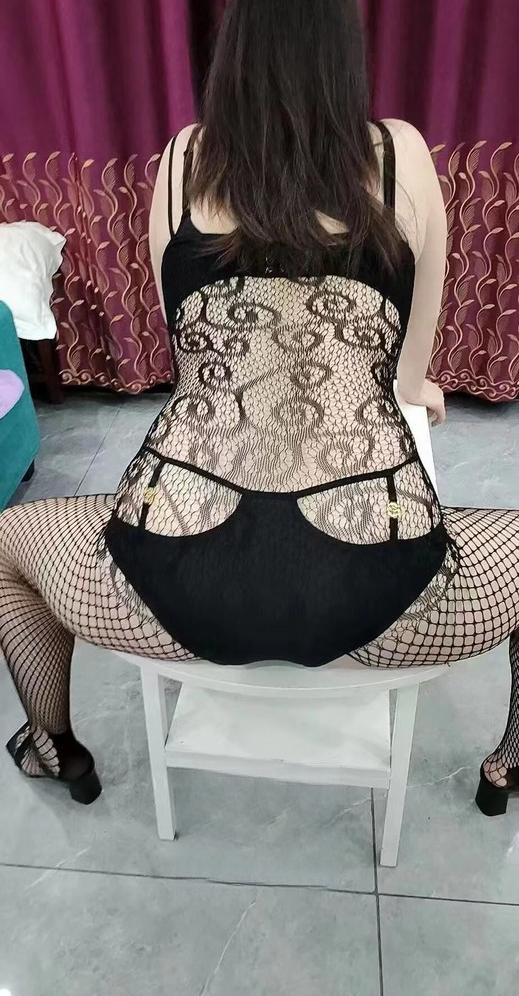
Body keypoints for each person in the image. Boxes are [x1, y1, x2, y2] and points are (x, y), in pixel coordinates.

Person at [0, 0, 517, 816]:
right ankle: (508, 764)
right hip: (376, 591)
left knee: (8, 544)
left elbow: (189, 363)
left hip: (170, 577)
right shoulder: (400, 156)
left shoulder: (183, 160)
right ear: (343, 50)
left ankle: (51, 744)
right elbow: (407, 373)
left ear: (232, 50)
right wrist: (415, 388)